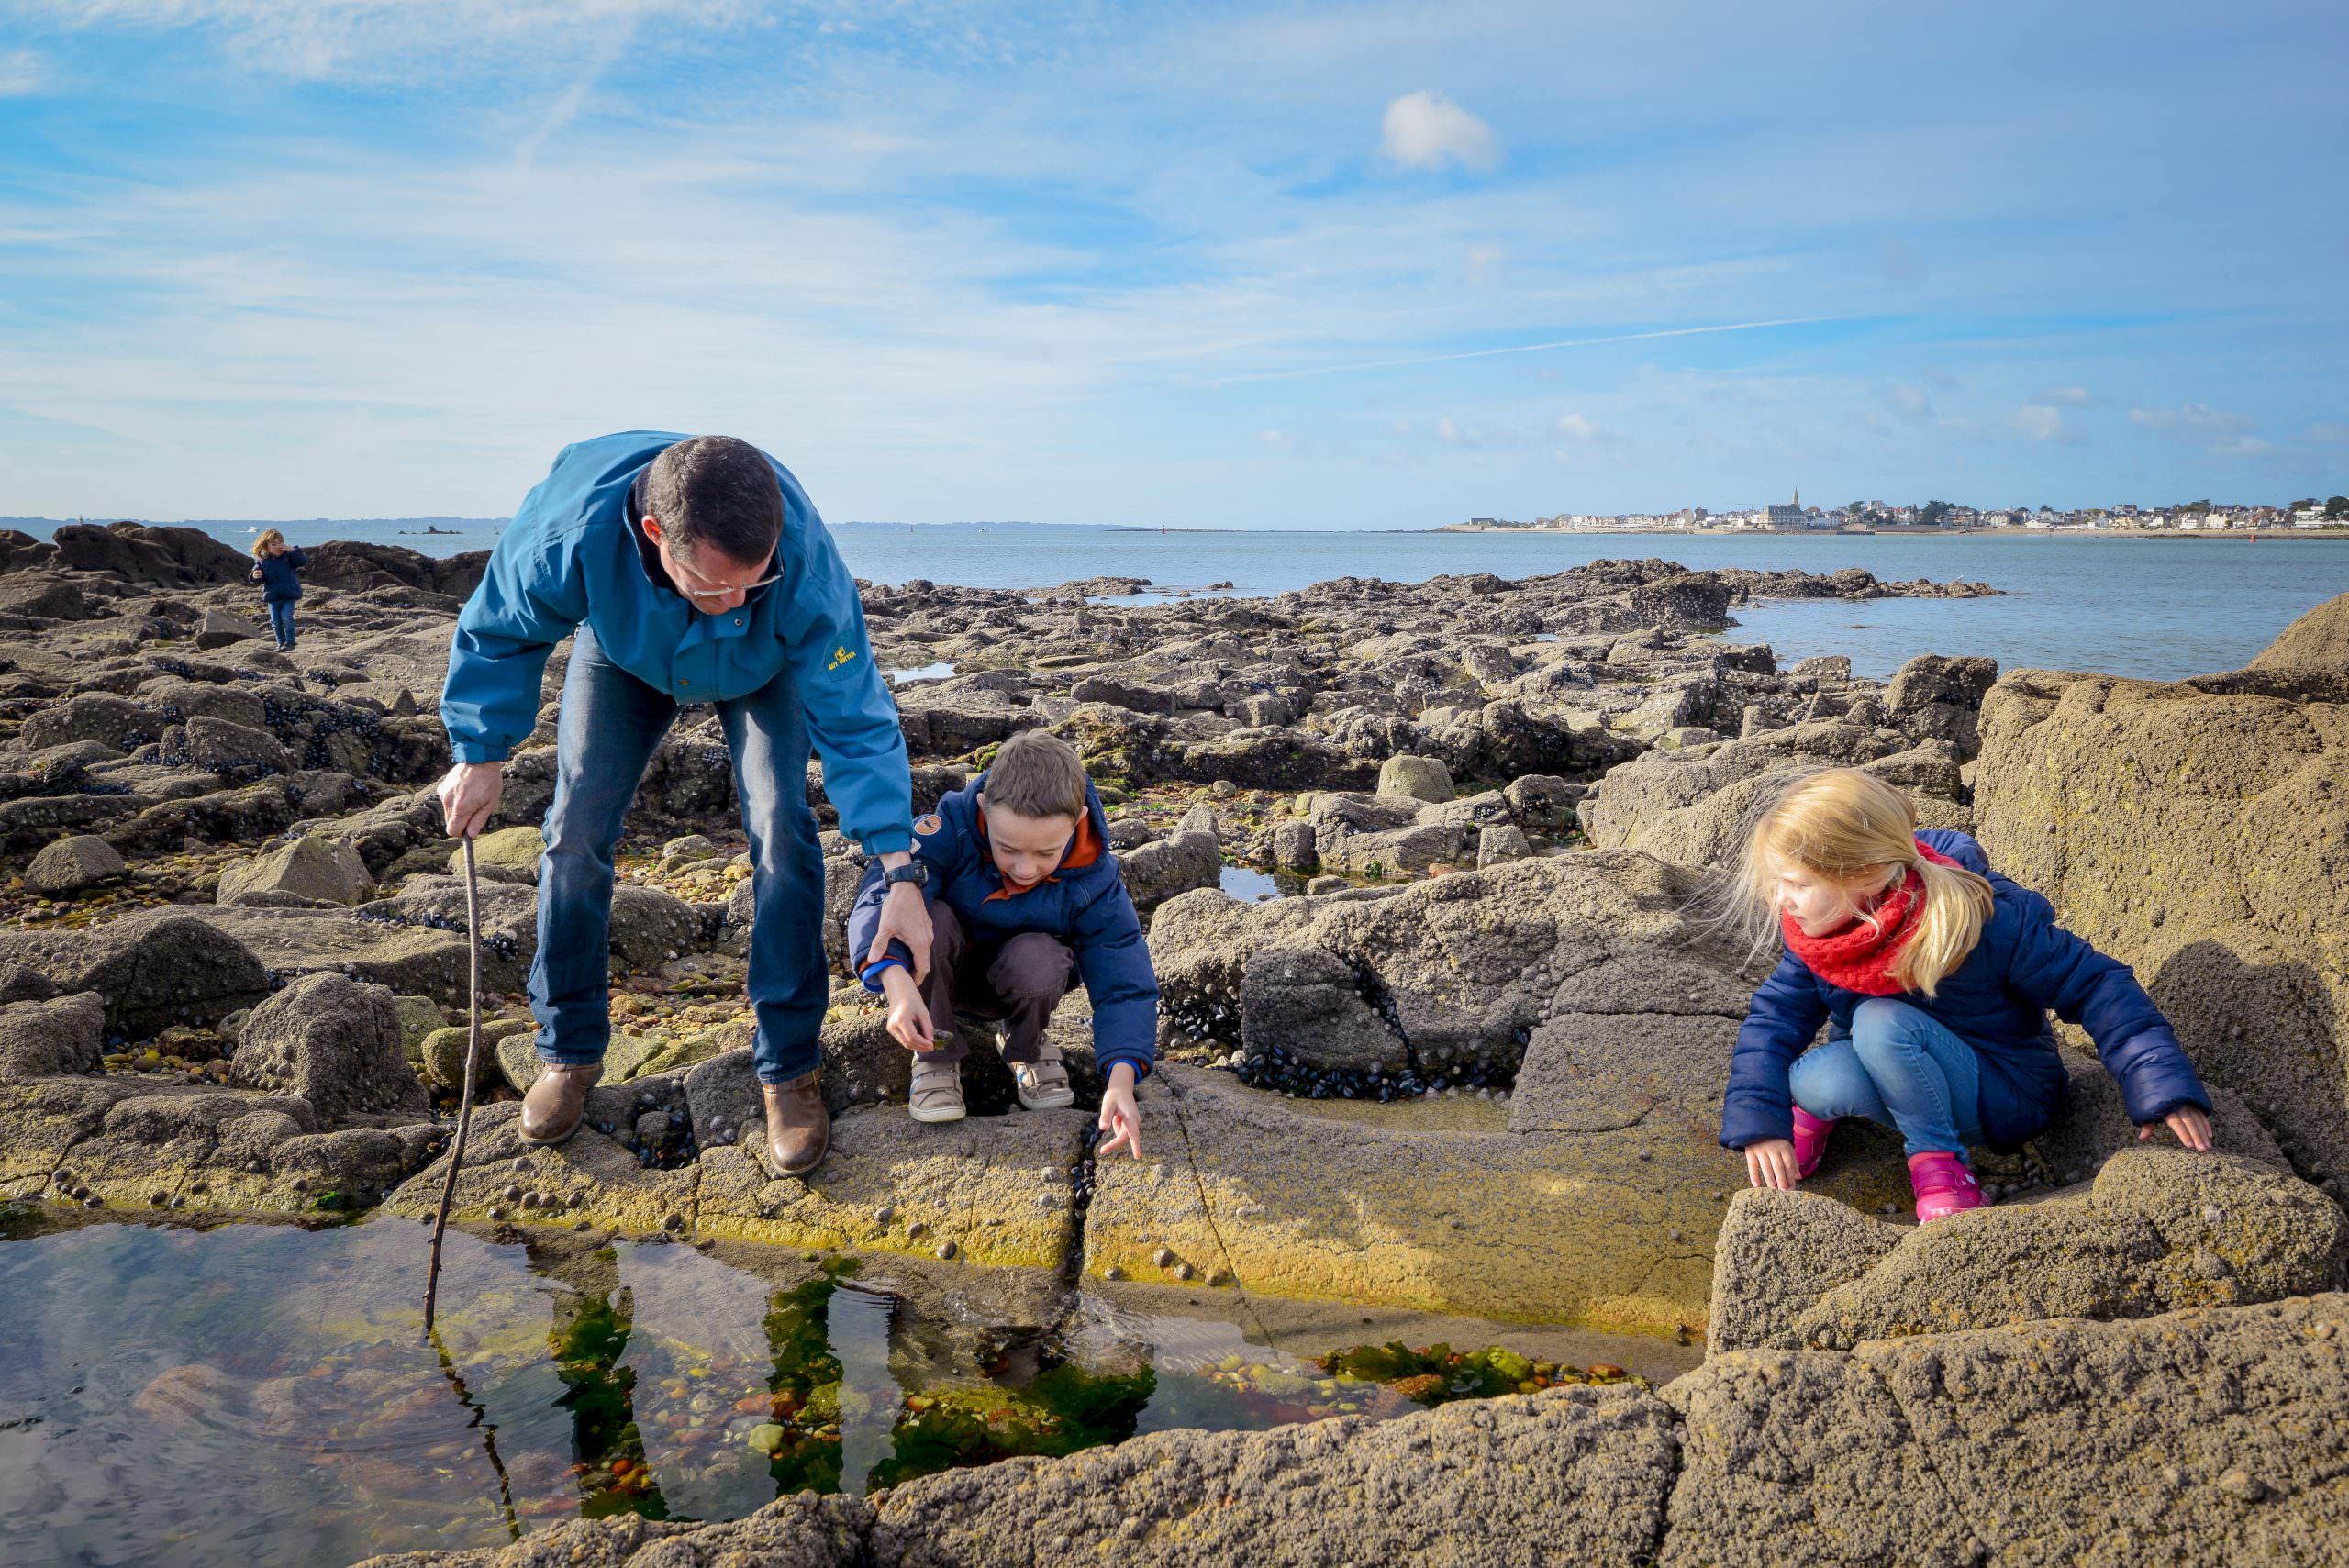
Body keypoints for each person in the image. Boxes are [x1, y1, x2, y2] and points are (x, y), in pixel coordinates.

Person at [435, 432, 930, 1176]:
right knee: (573, 830)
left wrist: (899, 866)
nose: (731, 600)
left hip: (763, 668)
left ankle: (789, 1069)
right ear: (655, 534)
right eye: (712, 584)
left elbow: (855, 713)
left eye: (750, 582)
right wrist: (479, 752)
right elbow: (502, 627)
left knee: (782, 832)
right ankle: (567, 1051)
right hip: (626, 655)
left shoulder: (801, 561)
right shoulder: (573, 529)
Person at [1718, 768, 2213, 1222]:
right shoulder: (1821, 936)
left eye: (1795, 883)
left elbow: (2096, 983)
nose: (1779, 900)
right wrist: (1763, 1121)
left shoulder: (1986, 917)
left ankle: (1940, 1163)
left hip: (2003, 1095)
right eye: (1776, 882)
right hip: (1898, 1072)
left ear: (1865, 876)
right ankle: (1821, 1117)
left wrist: (2158, 1083)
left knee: (1880, 1022)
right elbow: (1775, 1020)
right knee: (1816, 1082)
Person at [843, 729, 1152, 1159]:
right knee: (927, 915)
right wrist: (895, 986)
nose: (1026, 868)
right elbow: (878, 898)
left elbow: (1124, 980)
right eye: (1008, 849)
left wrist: (1121, 1082)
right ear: (985, 808)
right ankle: (935, 1055)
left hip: (1024, 982)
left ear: (1078, 821)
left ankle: (1025, 1044)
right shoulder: (946, 828)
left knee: (1039, 956)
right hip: (937, 978)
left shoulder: (1094, 877)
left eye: (1047, 852)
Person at [248, 528, 309, 651]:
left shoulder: (289, 556)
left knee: (287, 617)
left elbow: (302, 561)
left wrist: (293, 550)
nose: (277, 547)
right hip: (272, 594)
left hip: (289, 593)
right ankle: (280, 643)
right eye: (273, 544)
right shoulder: (262, 560)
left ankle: (290, 642)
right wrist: (255, 576)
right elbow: (256, 576)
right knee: (275, 620)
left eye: (279, 543)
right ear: (265, 545)